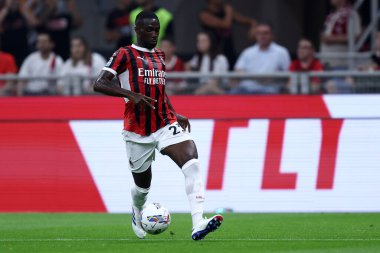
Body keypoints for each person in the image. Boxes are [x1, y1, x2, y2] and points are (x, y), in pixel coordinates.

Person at [94, 11, 223, 241]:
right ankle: (137, 211)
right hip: (137, 130)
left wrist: (174, 112)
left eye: (157, 29)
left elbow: (159, 91)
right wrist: (129, 94)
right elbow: (99, 83)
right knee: (142, 187)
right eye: (149, 29)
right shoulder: (124, 53)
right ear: (137, 30)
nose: (154, 33)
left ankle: (198, 223)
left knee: (191, 160)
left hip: (164, 122)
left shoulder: (160, 56)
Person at [231, 22, 291, 94]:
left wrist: (270, 79)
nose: (262, 36)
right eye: (259, 33)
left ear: (272, 35)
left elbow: (288, 75)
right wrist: (256, 78)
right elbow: (238, 71)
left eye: (265, 33)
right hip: (246, 91)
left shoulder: (281, 52)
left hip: (269, 92)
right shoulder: (247, 52)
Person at [199, 0, 256, 68]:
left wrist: (253, 25)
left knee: (232, 71)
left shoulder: (225, 11)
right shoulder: (204, 14)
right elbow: (226, 24)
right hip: (214, 52)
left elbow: (246, 20)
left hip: (228, 50)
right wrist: (229, 11)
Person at [320, 0, 361, 69]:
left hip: (340, 63)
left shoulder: (351, 14)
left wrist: (332, 39)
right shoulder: (332, 14)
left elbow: (355, 37)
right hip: (326, 62)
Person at [0, 0, 38, 67]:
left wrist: (21, 8)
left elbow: (34, 23)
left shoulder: (22, 10)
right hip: (6, 48)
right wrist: (6, 8)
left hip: (22, 48)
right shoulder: (3, 10)